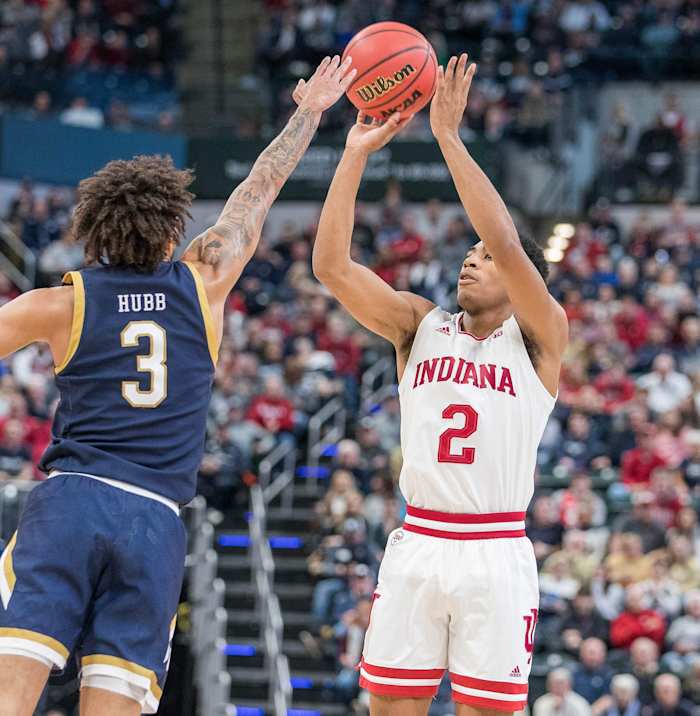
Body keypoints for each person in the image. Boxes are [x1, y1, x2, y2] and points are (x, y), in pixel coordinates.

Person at [0, 55, 357, 716]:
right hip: (155, 524)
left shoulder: (60, 304)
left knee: (9, 695)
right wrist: (308, 113)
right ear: (173, 230)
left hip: (73, 502)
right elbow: (259, 189)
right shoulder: (204, 282)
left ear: (96, 232)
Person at [307, 53, 569, 714]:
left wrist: (449, 138)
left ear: (519, 285)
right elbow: (332, 267)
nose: (471, 261)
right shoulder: (420, 325)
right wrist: (354, 154)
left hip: (496, 550)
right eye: (468, 254)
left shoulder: (541, 336)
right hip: (419, 542)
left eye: (482, 258)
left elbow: (508, 242)